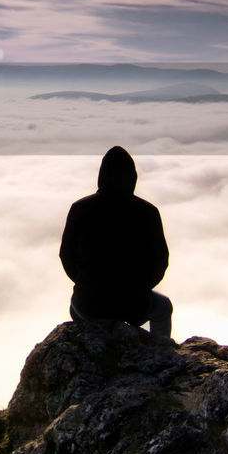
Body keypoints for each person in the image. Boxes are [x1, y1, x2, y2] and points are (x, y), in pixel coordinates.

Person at [59, 145, 173, 338]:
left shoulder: (80, 208)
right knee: (163, 308)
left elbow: (66, 256)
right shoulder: (148, 212)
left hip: (88, 305)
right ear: (133, 177)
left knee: (75, 304)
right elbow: (161, 261)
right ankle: (160, 351)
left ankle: (90, 345)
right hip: (134, 304)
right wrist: (139, 290)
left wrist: (86, 283)